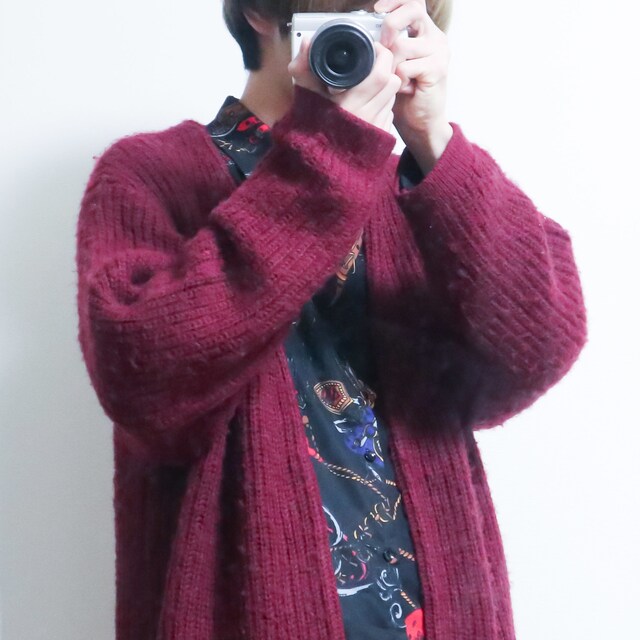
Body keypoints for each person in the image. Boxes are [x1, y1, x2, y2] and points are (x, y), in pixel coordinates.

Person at [74, 0, 587, 638]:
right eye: (352, 14)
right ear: (262, 12)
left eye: (395, 18)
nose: (373, 36)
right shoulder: (151, 175)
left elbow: (538, 345)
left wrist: (434, 140)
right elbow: (143, 378)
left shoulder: (420, 189)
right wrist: (327, 156)